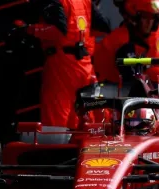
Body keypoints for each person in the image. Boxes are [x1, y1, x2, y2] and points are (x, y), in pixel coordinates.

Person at [15, 0, 98, 129]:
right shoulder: (84, 1)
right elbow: (103, 26)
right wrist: (80, 38)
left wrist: (29, 29)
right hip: (84, 64)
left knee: (56, 116)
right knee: (82, 117)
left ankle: (56, 148)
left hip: (61, 64)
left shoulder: (57, 1)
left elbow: (58, 31)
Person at [94, 0, 159, 83]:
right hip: (113, 89)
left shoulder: (155, 36)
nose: (149, 23)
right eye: (145, 17)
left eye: (152, 18)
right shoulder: (119, 40)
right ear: (136, 19)